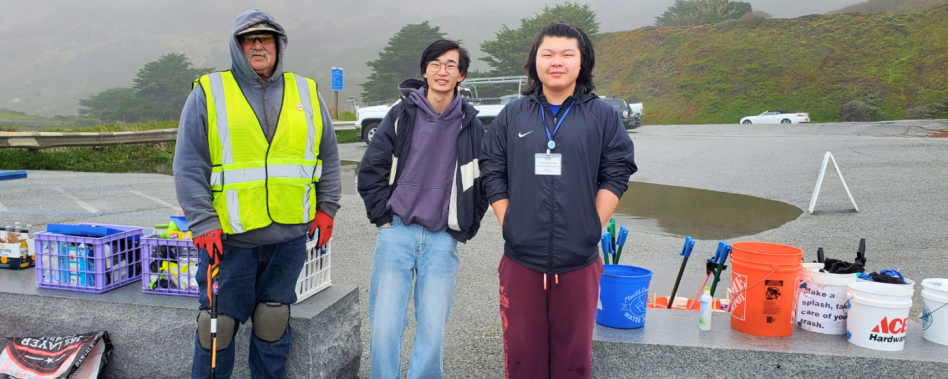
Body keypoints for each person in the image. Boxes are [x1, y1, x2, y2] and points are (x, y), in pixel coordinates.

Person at [173, 9, 341, 379]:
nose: (258, 46)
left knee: (273, 320)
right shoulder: (209, 92)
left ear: (278, 45)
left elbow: (327, 155)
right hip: (230, 240)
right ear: (238, 47)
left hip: (289, 238)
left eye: (265, 39)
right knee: (217, 329)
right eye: (249, 40)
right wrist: (202, 222)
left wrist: (327, 207)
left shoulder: (307, 92)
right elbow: (188, 163)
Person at [480, 22, 638, 378]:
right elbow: (492, 169)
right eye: (547, 53)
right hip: (521, 260)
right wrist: (510, 223)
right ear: (534, 61)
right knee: (522, 357)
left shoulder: (602, 116)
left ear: (582, 63)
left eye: (568, 54)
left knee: (573, 360)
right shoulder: (513, 115)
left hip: (578, 262)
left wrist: (591, 227)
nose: (557, 61)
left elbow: (617, 170)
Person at [357, 39, 488, 378]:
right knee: (385, 325)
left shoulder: (471, 124)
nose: (442, 71)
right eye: (435, 64)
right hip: (396, 231)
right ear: (424, 70)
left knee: (432, 329)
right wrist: (381, 217)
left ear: (461, 75)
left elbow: (484, 180)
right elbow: (371, 168)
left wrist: (465, 226)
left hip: (442, 238)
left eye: (450, 65)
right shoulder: (402, 115)